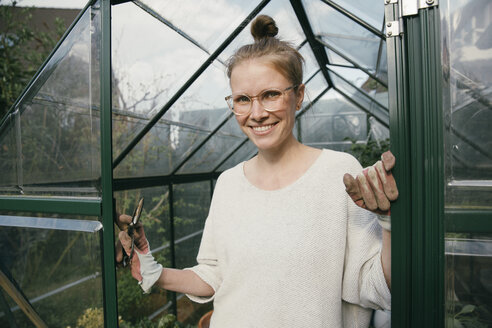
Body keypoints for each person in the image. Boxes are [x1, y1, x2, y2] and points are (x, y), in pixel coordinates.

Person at [115, 15, 397, 328]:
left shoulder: (339, 173)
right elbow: (213, 276)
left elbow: (374, 285)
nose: (257, 113)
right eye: (242, 100)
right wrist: (153, 270)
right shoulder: (228, 184)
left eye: (271, 94)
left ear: (299, 95)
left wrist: (389, 225)